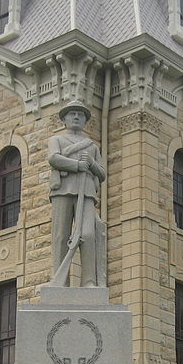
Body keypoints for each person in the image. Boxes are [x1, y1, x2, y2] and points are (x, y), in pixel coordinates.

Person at [48, 100, 106, 287]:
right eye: (72, 114)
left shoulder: (92, 146)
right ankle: (60, 280)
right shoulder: (57, 140)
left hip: (86, 192)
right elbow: (54, 158)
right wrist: (77, 165)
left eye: (80, 115)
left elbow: (102, 173)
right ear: (64, 119)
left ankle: (89, 281)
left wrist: (91, 163)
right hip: (63, 191)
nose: (76, 117)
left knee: (88, 235)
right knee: (61, 236)